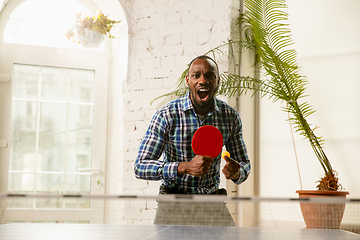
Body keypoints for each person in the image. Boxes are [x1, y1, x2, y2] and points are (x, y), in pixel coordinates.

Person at [134, 55, 251, 226]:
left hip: (212, 204)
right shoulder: (167, 115)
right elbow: (140, 166)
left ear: (217, 82)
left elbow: (244, 164)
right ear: (188, 81)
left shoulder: (230, 117)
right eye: (196, 75)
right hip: (173, 204)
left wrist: (237, 172)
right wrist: (184, 167)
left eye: (209, 76)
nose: (202, 80)